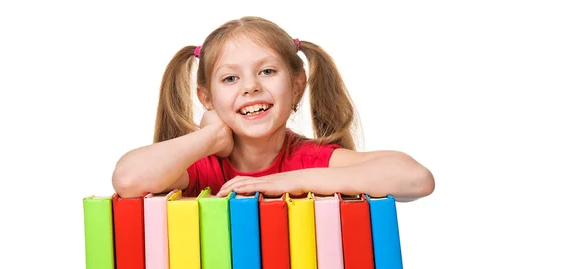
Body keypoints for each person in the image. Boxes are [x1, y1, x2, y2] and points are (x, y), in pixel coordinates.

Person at [111, 16, 435, 201]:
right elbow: (128, 179)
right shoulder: (202, 166)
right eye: (230, 78)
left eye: (267, 71)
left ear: (296, 84)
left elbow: (415, 179)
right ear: (206, 98)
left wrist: (283, 182)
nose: (250, 86)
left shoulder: (308, 160)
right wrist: (211, 136)